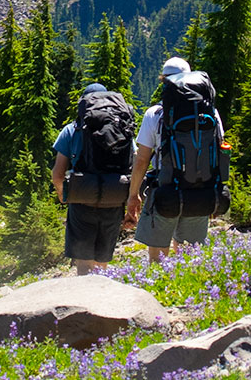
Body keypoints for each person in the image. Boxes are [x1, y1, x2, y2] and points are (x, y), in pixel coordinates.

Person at [125, 56, 218, 263]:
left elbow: (142, 160)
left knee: (157, 258)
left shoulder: (155, 114)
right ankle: (189, 292)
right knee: (191, 258)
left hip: (164, 191)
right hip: (200, 189)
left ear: (164, 81)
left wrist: (133, 195)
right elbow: (219, 152)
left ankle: (158, 292)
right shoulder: (211, 112)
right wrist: (215, 193)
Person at [51, 82, 135, 270]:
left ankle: (83, 295)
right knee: (102, 262)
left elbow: (57, 174)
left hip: (82, 200)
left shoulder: (71, 130)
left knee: (83, 262)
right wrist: (132, 203)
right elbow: (134, 163)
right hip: (114, 199)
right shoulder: (122, 128)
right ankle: (100, 292)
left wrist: (63, 195)